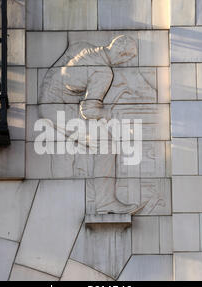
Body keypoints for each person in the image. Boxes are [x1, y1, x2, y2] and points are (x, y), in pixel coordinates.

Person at [38, 35, 144, 215]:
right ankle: (105, 203)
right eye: (128, 58)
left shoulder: (84, 46)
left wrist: (65, 87)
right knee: (106, 144)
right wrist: (113, 117)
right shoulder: (103, 73)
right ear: (121, 54)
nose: (127, 61)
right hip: (56, 108)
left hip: (52, 98)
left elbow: (64, 63)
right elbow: (88, 111)